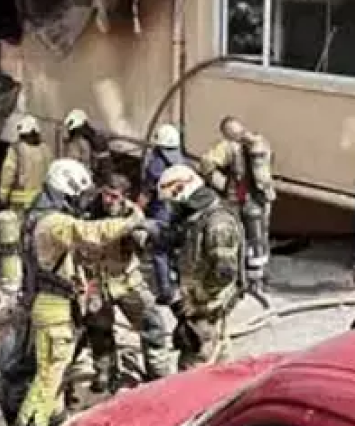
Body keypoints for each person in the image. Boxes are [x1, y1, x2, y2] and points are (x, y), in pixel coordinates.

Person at [15, 159, 146, 426]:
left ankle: (54, 414)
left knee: (55, 369)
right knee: (49, 373)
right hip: (54, 304)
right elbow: (89, 234)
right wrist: (129, 223)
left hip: (48, 301)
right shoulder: (54, 222)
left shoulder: (36, 214)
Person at [81, 173, 175, 394]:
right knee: (98, 331)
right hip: (97, 280)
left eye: (114, 196)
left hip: (126, 280)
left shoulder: (132, 213)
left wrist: (143, 236)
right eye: (105, 194)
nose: (108, 201)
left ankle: (158, 374)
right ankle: (105, 373)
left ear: (123, 197)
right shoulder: (88, 210)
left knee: (152, 324)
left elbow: (142, 239)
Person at [158, 163, 245, 369]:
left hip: (208, 304)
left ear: (181, 191)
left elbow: (224, 273)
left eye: (172, 202)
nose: (171, 208)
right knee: (220, 357)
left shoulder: (218, 224)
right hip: (204, 303)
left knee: (193, 364)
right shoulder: (198, 216)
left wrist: (195, 300)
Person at [198, 117, 276, 294]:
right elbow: (207, 163)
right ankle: (254, 279)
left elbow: (206, 164)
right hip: (252, 198)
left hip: (248, 197)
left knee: (248, 238)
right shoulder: (250, 144)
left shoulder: (238, 145)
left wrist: (222, 184)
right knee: (253, 239)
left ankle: (249, 278)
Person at [140, 123, 185, 303]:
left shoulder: (156, 165)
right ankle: (182, 285)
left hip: (162, 213)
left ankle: (165, 291)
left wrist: (136, 211)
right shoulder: (183, 162)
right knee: (178, 251)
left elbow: (146, 193)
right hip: (180, 213)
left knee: (160, 252)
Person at [0, 114, 52, 214]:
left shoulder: (16, 149)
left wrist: (3, 196)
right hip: (42, 203)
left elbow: (8, 173)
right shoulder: (46, 150)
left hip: (20, 203)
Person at [62, 109, 111, 183]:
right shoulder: (92, 138)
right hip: (87, 177)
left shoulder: (81, 141)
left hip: (81, 178)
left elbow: (77, 161)